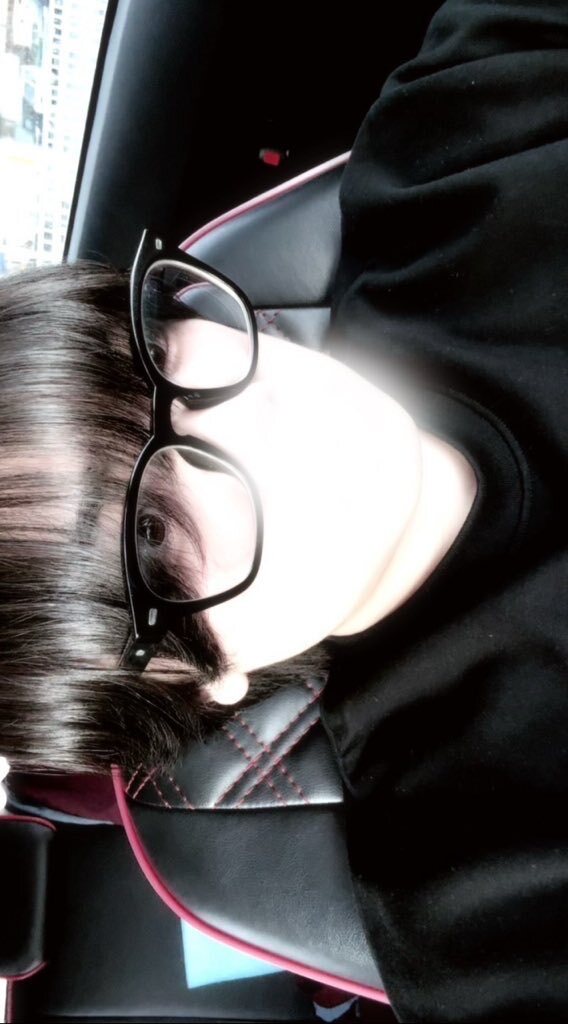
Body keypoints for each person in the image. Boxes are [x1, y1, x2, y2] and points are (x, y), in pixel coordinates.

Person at [1, 0, 567, 1018]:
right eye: (152, 536)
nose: (243, 416)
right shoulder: (483, 899)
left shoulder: (453, 145)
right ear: (203, 686)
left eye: (154, 356)